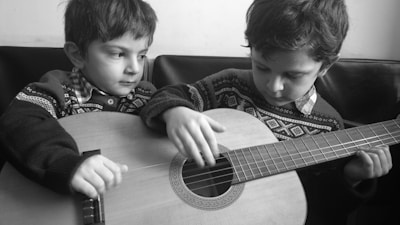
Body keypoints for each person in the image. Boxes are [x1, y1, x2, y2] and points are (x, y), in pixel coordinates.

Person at [140, 0, 392, 224]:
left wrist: (351, 179)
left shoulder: (327, 125)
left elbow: (316, 206)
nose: (273, 85)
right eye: (262, 67)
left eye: (293, 75)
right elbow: (167, 96)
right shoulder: (228, 86)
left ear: (325, 66)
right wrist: (175, 111)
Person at [0, 0, 157, 199]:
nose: (135, 68)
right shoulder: (58, 89)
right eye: (119, 54)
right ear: (77, 55)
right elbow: (18, 122)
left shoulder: (146, 96)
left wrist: (177, 111)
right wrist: (67, 164)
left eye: (142, 56)